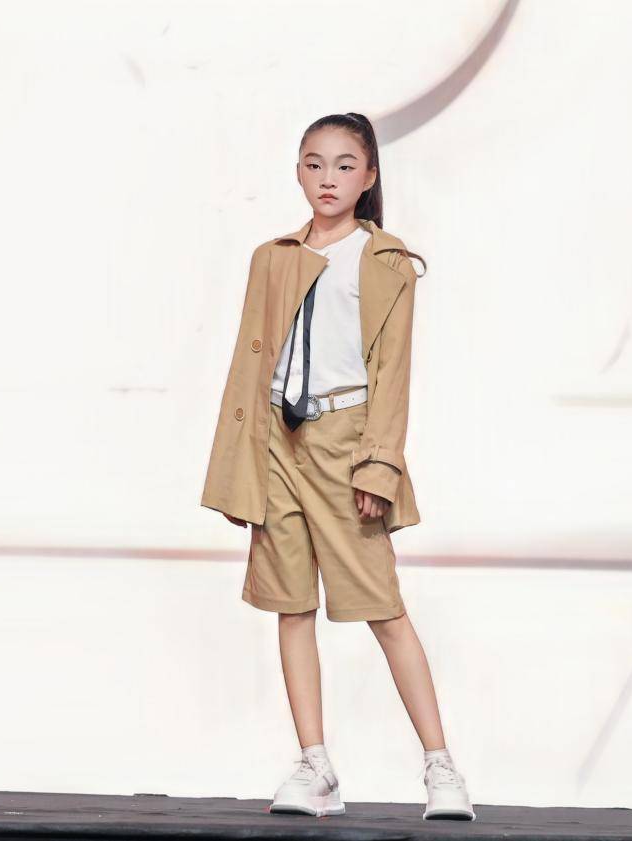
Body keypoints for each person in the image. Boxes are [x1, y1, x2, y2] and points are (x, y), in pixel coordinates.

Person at [200, 112, 475, 821]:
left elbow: (393, 373)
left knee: (382, 607)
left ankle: (440, 764)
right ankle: (315, 764)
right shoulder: (271, 257)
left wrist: (377, 465)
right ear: (298, 171)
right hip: (275, 441)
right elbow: (247, 366)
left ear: (369, 176)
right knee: (290, 604)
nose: (328, 178)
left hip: (346, 440)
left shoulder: (385, 261)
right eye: (314, 163)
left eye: (345, 165)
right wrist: (236, 469)